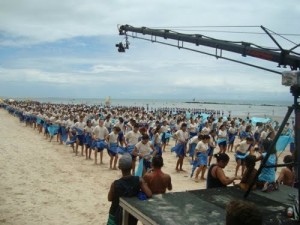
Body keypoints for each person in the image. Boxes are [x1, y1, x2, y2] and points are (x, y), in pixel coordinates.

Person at [107, 154, 152, 225]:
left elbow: (109, 198)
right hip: (131, 213)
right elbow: (149, 194)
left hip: (115, 212)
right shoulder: (139, 180)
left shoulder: (115, 184)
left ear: (119, 167)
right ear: (132, 166)